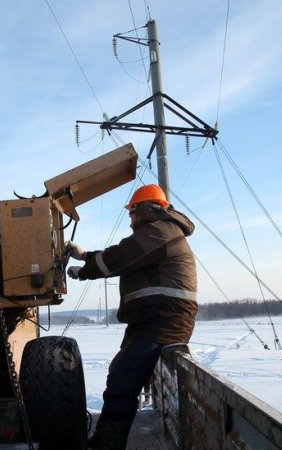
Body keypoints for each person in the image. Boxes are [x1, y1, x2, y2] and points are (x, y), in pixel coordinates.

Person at [66, 184, 198, 450]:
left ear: (148, 209)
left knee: (122, 382)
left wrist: (84, 270)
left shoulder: (160, 232)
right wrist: (86, 256)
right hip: (151, 320)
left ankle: (107, 445)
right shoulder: (157, 233)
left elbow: (120, 257)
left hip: (164, 321)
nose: (130, 220)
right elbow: (124, 257)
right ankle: (105, 440)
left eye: (132, 213)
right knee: (118, 375)